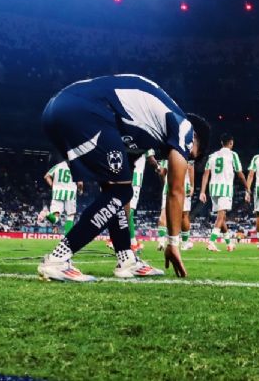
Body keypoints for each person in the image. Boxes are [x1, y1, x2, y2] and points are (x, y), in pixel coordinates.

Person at [36, 74, 209, 282]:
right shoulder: (185, 128)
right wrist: (173, 243)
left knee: (118, 190)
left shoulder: (148, 130)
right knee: (120, 191)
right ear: (195, 139)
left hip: (59, 109)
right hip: (84, 111)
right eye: (190, 156)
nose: (183, 158)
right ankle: (58, 258)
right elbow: (176, 190)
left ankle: (126, 259)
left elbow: (119, 190)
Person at [199, 133, 246, 252]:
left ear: (221, 143)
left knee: (222, 217)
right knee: (221, 216)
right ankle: (211, 242)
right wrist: (247, 187)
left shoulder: (213, 155)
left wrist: (202, 191)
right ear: (231, 143)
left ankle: (229, 243)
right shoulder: (232, 155)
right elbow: (240, 174)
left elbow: (206, 174)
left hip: (213, 188)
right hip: (225, 188)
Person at [156, 154, 195, 251]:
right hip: (183, 186)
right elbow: (190, 167)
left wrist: (165, 181)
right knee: (184, 216)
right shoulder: (185, 150)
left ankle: (161, 241)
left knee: (164, 212)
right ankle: (185, 243)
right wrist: (192, 186)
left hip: (168, 186)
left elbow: (161, 173)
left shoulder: (167, 154)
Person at [42, 161, 82, 235]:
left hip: (57, 193)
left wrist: (53, 186)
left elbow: (46, 176)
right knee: (70, 215)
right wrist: (80, 190)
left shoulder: (58, 166)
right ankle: (67, 237)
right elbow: (80, 183)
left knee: (55, 216)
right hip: (70, 194)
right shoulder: (76, 167)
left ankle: (46, 213)